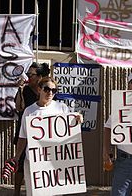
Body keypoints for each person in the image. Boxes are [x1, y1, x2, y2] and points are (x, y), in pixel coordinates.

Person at [12, 77, 83, 196]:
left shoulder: (62, 108)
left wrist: (78, 120)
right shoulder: (29, 111)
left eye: (54, 90)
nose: (50, 93)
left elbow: (70, 130)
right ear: (39, 89)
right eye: (47, 89)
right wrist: (17, 157)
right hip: (33, 162)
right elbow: (23, 137)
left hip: (55, 162)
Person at [13, 62, 49, 196]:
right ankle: (16, 191)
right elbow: (19, 107)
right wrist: (20, 89)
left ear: (39, 77)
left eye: (30, 75)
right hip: (24, 132)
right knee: (20, 163)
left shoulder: (47, 91)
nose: (28, 77)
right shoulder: (26, 90)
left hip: (42, 134)